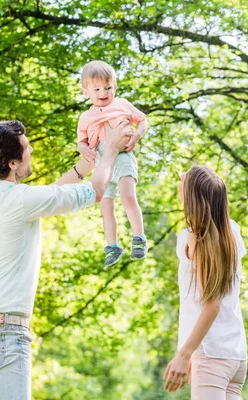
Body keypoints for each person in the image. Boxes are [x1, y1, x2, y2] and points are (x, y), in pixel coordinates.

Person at [0, 119, 131, 400]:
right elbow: (96, 191)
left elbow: (48, 195)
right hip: (3, 336)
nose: (32, 151)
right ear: (13, 163)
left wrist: (85, 165)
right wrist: (110, 149)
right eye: (26, 147)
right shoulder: (18, 201)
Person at [163, 165, 248, 399]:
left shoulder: (197, 241)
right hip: (235, 356)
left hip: (211, 355)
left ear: (192, 199)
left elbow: (212, 305)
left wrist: (184, 354)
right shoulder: (231, 233)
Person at [77, 60, 148, 267]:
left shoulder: (122, 104)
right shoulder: (85, 117)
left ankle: (139, 238)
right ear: (86, 92)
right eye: (97, 89)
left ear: (115, 86)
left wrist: (136, 137)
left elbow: (142, 119)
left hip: (123, 156)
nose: (103, 92)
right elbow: (81, 141)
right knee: (106, 206)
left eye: (108, 87)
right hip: (102, 163)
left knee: (128, 196)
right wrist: (83, 149)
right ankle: (113, 246)